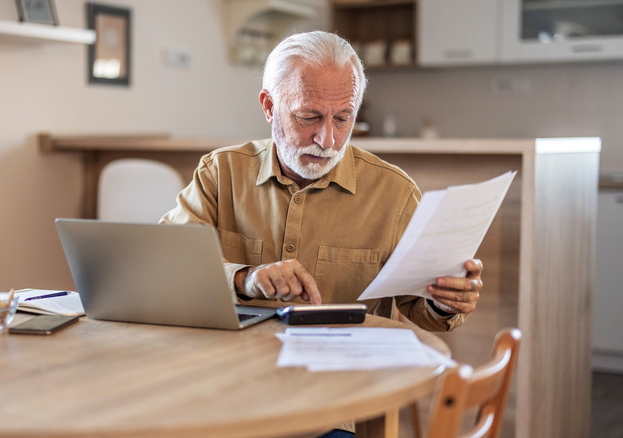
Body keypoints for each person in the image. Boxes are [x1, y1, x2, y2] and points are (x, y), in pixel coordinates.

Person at [161, 30, 482, 437]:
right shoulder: (220, 174)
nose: (327, 139)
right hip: (225, 389)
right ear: (268, 106)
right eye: (309, 116)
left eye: (343, 118)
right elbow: (167, 270)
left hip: (337, 406)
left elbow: (423, 311)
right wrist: (245, 278)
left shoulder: (395, 194)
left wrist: (447, 302)